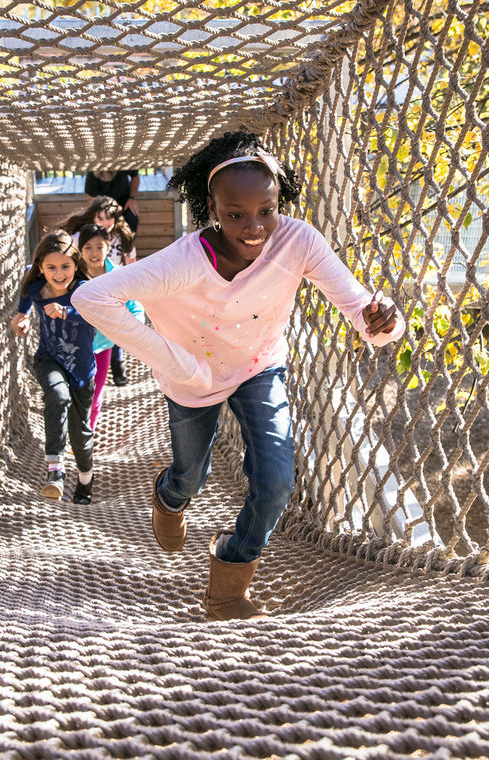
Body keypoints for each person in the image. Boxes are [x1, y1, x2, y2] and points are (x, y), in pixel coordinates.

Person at [73, 131, 405, 620]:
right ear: (211, 207)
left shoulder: (297, 241)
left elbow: (362, 311)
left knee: (276, 481)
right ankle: (169, 497)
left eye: (266, 210)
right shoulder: (182, 262)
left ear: (280, 201)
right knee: (192, 475)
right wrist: (177, 363)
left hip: (259, 366)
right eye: (235, 215)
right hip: (191, 378)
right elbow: (90, 298)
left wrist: (383, 321)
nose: (254, 228)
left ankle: (228, 580)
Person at [10, 231, 97, 504]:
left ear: (75, 265)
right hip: (48, 360)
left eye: (65, 267)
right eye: (51, 268)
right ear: (41, 268)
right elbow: (26, 289)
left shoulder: (84, 289)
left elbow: (94, 314)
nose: (58, 274)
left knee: (79, 434)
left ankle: (85, 480)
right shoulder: (35, 285)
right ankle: (55, 470)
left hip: (82, 371)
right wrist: (21, 317)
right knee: (57, 397)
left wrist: (66, 312)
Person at [61, 196, 137, 386]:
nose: (105, 223)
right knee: (97, 326)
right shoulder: (82, 236)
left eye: (109, 218)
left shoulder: (123, 235)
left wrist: (127, 282)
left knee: (116, 325)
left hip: (115, 283)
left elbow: (131, 263)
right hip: (91, 281)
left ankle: (118, 367)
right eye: (100, 218)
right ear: (93, 218)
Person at [76, 222, 144, 430]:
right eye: (87, 247)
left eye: (99, 247)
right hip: (75, 344)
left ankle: (88, 433)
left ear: (108, 246)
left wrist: (133, 330)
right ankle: (76, 431)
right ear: (80, 250)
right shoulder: (73, 273)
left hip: (102, 345)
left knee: (96, 390)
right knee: (76, 391)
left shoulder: (117, 276)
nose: (94, 253)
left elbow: (135, 306)